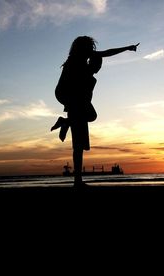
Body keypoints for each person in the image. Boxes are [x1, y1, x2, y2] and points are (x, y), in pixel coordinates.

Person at [51, 36, 139, 187]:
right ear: (84, 48)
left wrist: (127, 48)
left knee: (84, 133)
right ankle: (77, 181)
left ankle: (66, 122)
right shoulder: (78, 66)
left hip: (74, 100)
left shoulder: (85, 67)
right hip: (68, 96)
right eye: (90, 48)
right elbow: (68, 86)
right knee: (78, 144)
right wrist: (72, 105)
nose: (98, 68)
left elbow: (107, 52)